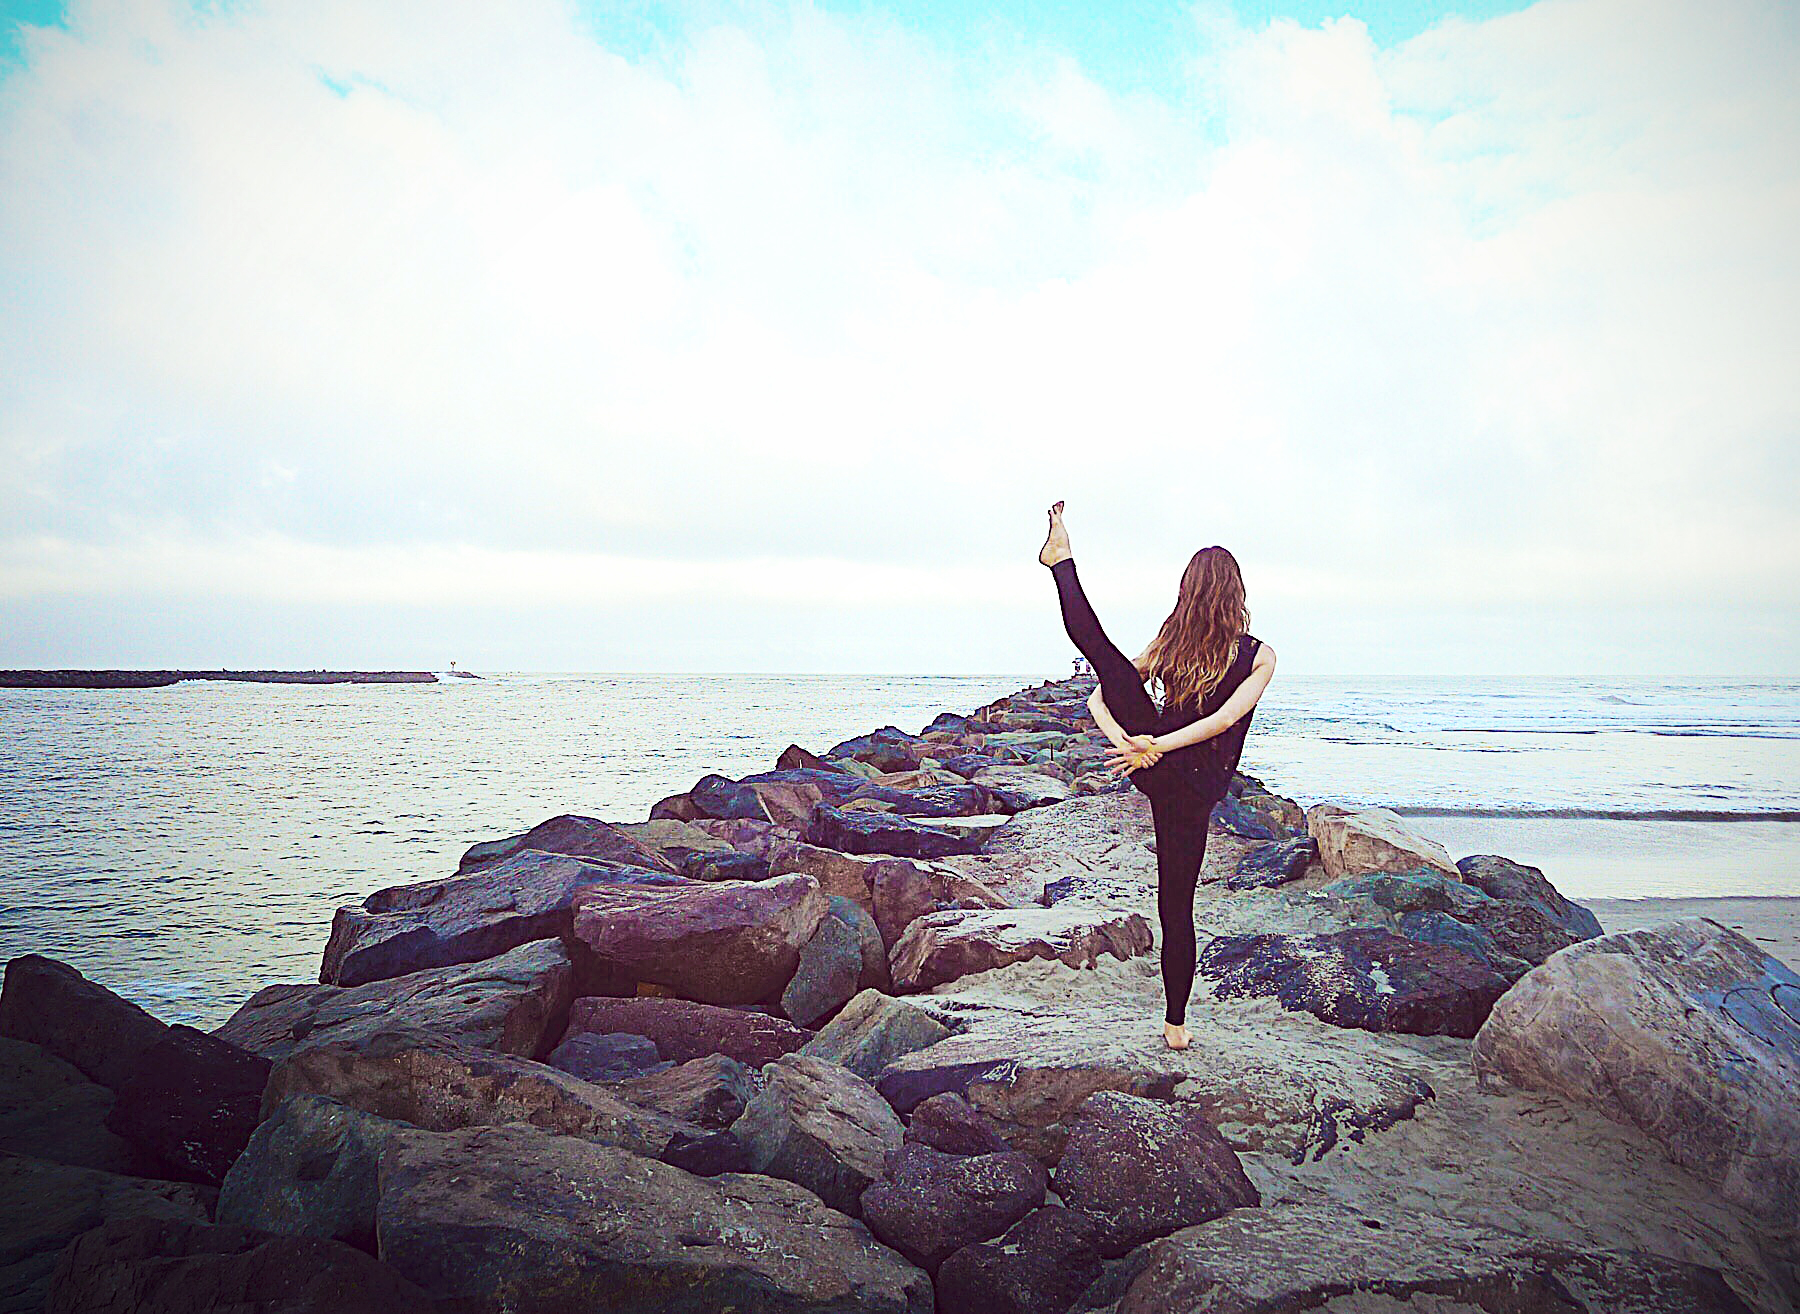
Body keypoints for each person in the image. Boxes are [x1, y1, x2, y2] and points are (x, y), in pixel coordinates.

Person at [1038, 500, 1276, 1051]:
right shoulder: (1258, 654)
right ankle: (1176, 1026)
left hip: (1160, 767)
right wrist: (1135, 744)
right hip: (1190, 780)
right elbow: (1221, 722)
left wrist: (1141, 744)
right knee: (1177, 905)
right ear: (1235, 594)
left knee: (1103, 654)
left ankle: (1062, 562)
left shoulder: (1177, 643)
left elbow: (1107, 695)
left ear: (1188, 591)